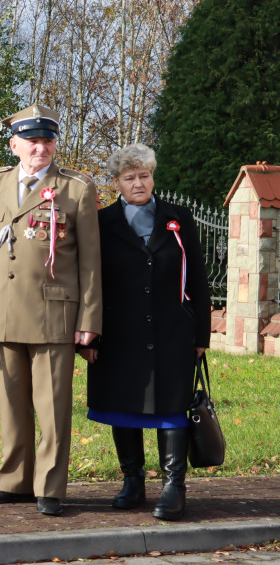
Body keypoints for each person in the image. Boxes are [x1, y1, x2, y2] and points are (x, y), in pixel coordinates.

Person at [0, 104, 102, 517]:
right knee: (12, 404)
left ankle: (49, 487)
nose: (40, 148)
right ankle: (14, 482)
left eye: (47, 141)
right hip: (2, 312)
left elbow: (91, 263)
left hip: (54, 315)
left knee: (53, 407)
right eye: (31, 141)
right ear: (14, 145)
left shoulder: (76, 189)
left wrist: (89, 321)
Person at [81, 143, 210, 521]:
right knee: (124, 404)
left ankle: (174, 486)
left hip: (173, 330)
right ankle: (132, 480)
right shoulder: (102, 223)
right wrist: (90, 335)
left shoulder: (179, 217)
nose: (139, 183)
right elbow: (90, 280)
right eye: (129, 177)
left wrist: (201, 334)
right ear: (117, 182)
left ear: (153, 176)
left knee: (173, 407)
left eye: (144, 175)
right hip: (119, 332)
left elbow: (198, 279)